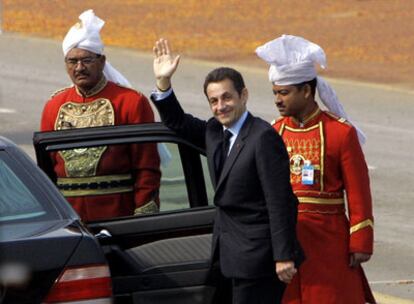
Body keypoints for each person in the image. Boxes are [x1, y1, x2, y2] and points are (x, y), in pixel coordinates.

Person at [150, 38, 304, 304]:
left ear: (243, 95)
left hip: (260, 258)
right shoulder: (213, 131)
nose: (220, 106)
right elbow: (177, 122)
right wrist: (164, 83)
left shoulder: (262, 138)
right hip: (227, 257)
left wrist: (283, 256)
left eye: (227, 98)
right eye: (213, 101)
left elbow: (280, 201)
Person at [256, 34, 376, 304]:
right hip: (286, 243)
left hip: (329, 244)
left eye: (284, 93)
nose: (278, 100)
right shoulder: (274, 132)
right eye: (275, 93)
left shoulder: (340, 133)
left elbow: (359, 193)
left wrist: (360, 241)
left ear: (307, 91)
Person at [40, 10, 161, 221]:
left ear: (102, 61)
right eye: (72, 61)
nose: (79, 68)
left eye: (86, 60)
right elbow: (46, 170)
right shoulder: (54, 106)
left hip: (119, 217)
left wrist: (142, 219)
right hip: (70, 221)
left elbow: (146, 166)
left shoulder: (131, 102)